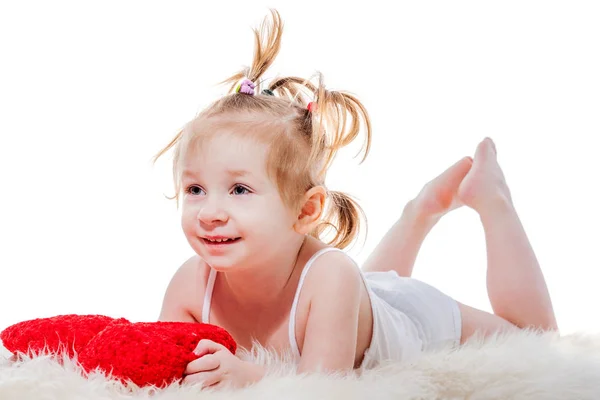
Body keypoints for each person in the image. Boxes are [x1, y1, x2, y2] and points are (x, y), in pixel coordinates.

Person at [156, 9, 558, 389]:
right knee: (371, 287)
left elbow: (323, 388)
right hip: (363, 299)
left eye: (239, 190)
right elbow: (156, 367)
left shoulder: (331, 278)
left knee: (537, 341)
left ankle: (492, 200)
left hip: (412, 317)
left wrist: (250, 377)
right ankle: (417, 214)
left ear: (306, 209)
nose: (209, 213)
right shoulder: (190, 284)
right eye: (195, 190)